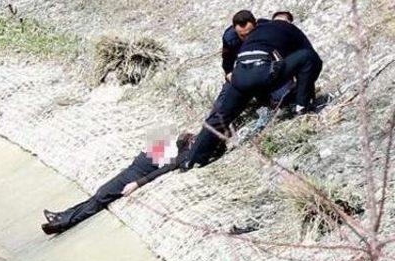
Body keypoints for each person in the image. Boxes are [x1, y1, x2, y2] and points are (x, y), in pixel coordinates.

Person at [185, 12, 323, 168]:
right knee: (308, 57)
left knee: (221, 116)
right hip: (262, 72)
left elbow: (229, 66)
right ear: (288, 21)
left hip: (239, 75)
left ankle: (193, 159)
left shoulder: (258, 30)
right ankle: (303, 108)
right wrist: (304, 89)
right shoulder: (288, 28)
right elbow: (310, 56)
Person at [41, 127, 199, 235]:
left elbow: (162, 170)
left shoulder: (183, 155)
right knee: (99, 194)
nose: (192, 138)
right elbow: (158, 146)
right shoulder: (180, 146)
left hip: (135, 175)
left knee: (101, 196)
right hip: (132, 170)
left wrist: (137, 184)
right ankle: (61, 217)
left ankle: (63, 222)